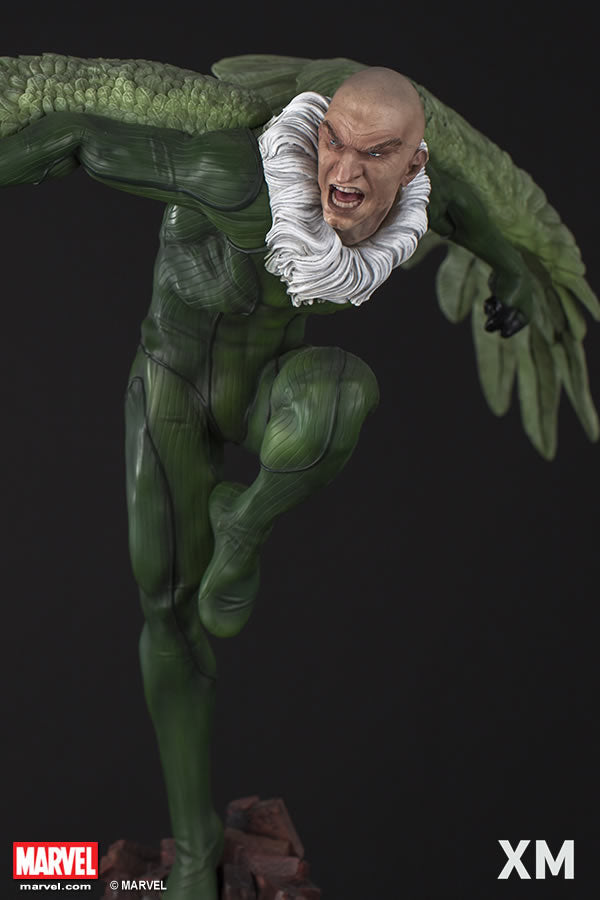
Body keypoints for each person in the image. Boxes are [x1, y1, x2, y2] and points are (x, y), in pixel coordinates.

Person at [0, 62, 553, 900]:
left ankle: (245, 524)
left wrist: (511, 272)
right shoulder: (234, 176)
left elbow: (464, 208)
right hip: (173, 388)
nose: (345, 172)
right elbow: (78, 140)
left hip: (269, 393)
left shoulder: (414, 200)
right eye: (334, 143)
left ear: (413, 163)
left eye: (375, 154)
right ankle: (194, 845)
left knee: (344, 396)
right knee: (169, 608)